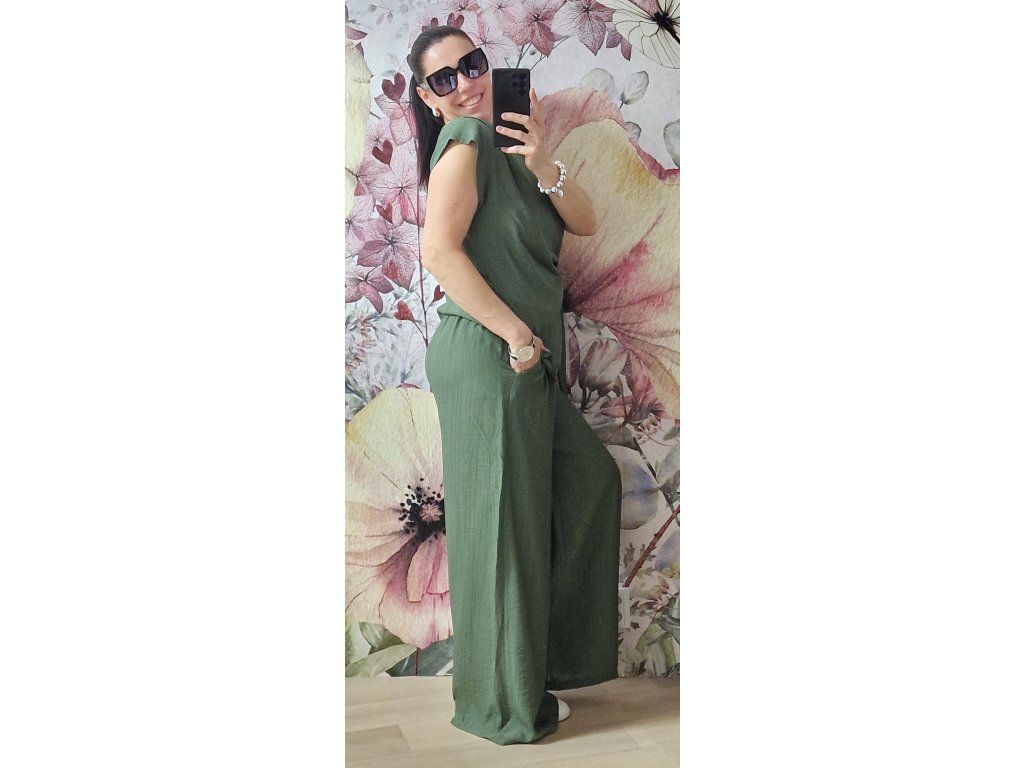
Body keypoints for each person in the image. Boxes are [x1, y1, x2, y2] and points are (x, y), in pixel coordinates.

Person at [409, 26, 623, 746]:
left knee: (585, 484)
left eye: (471, 65)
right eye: (444, 78)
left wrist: (543, 159)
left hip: (525, 360)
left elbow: (584, 221)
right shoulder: (465, 141)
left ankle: (533, 669)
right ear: (428, 98)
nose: (465, 83)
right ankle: (500, 705)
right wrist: (517, 335)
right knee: (500, 532)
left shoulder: (508, 147)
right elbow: (438, 252)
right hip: (492, 354)